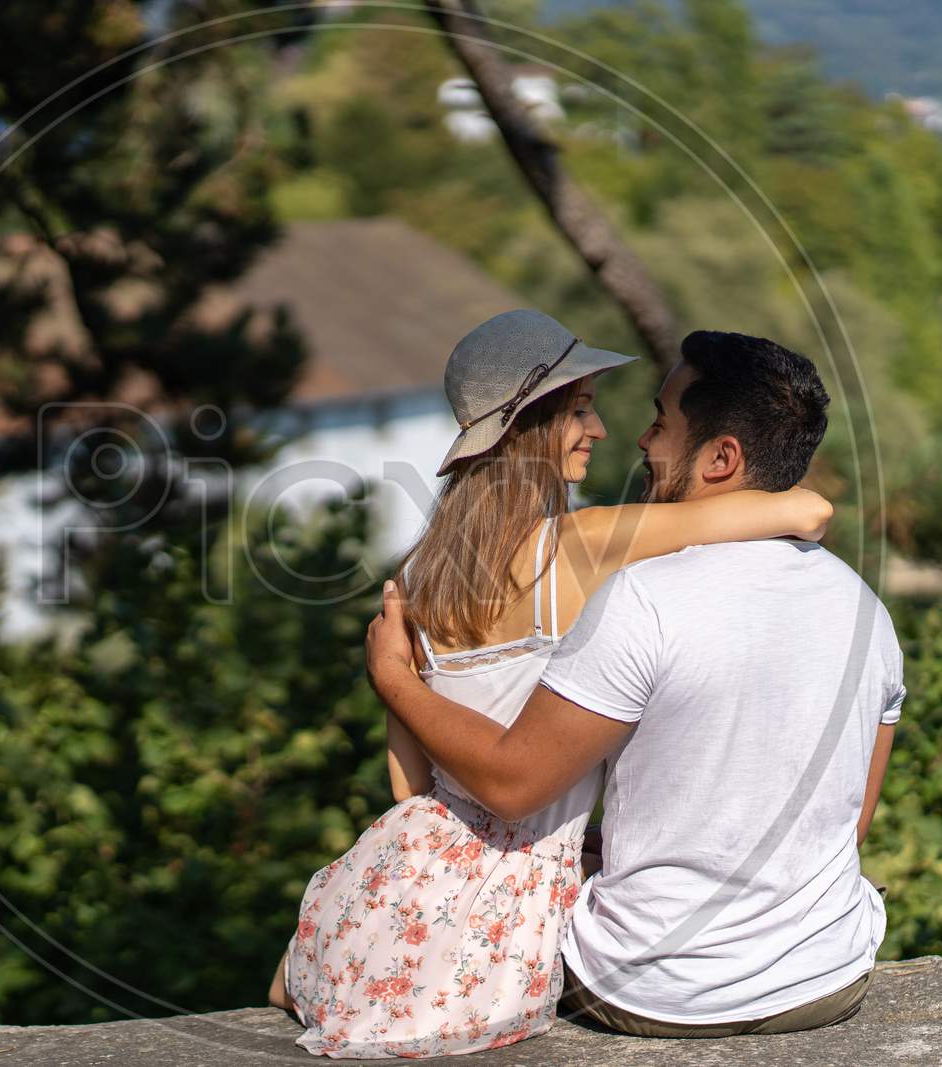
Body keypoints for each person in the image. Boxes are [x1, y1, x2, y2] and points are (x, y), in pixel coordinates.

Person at [268, 311, 835, 1058]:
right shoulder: (581, 546)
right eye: (579, 409)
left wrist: (395, 678)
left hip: (406, 874)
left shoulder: (414, 580)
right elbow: (809, 509)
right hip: (516, 903)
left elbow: (409, 786)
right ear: (533, 428)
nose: (599, 429)